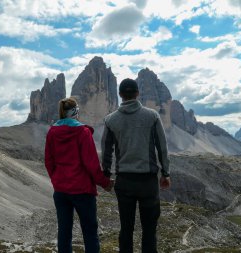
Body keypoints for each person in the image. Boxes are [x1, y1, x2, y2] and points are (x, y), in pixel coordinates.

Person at [101, 78, 171, 253]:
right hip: (148, 182)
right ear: (138, 93)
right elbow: (162, 146)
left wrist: (105, 175)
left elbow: (106, 150)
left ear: (120, 95)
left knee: (126, 229)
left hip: (124, 181)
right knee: (149, 230)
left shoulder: (110, 120)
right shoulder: (152, 116)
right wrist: (166, 173)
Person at [45, 97, 114, 253]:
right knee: (90, 233)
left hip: (61, 191)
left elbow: (49, 162)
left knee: (64, 231)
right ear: (75, 112)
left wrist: (56, 180)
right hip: (82, 191)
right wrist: (105, 182)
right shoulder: (82, 132)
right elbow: (92, 164)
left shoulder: (52, 132)